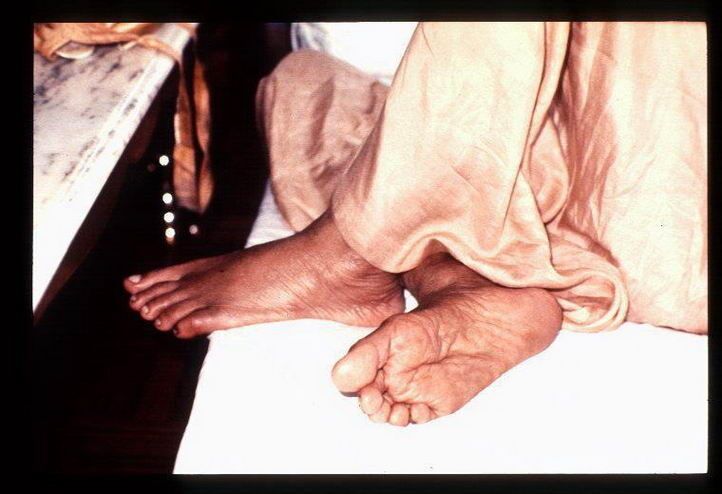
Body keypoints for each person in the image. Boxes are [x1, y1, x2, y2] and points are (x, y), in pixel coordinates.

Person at [124, 22, 707, 427]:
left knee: (330, 112)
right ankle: (454, 273)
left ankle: (367, 249)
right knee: (309, 87)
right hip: (646, 169)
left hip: (669, 205)